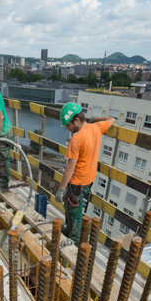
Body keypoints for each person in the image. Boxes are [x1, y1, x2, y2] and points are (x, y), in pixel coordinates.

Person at [55, 102, 116, 246]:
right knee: (71, 207)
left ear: (76, 120)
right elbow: (112, 119)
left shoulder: (76, 139)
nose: (66, 128)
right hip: (89, 180)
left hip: (77, 182)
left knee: (74, 210)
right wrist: (95, 119)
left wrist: (61, 189)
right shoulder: (96, 127)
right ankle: (70, 231)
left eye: (68, 124)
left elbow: (70, 168)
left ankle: (74, 239)